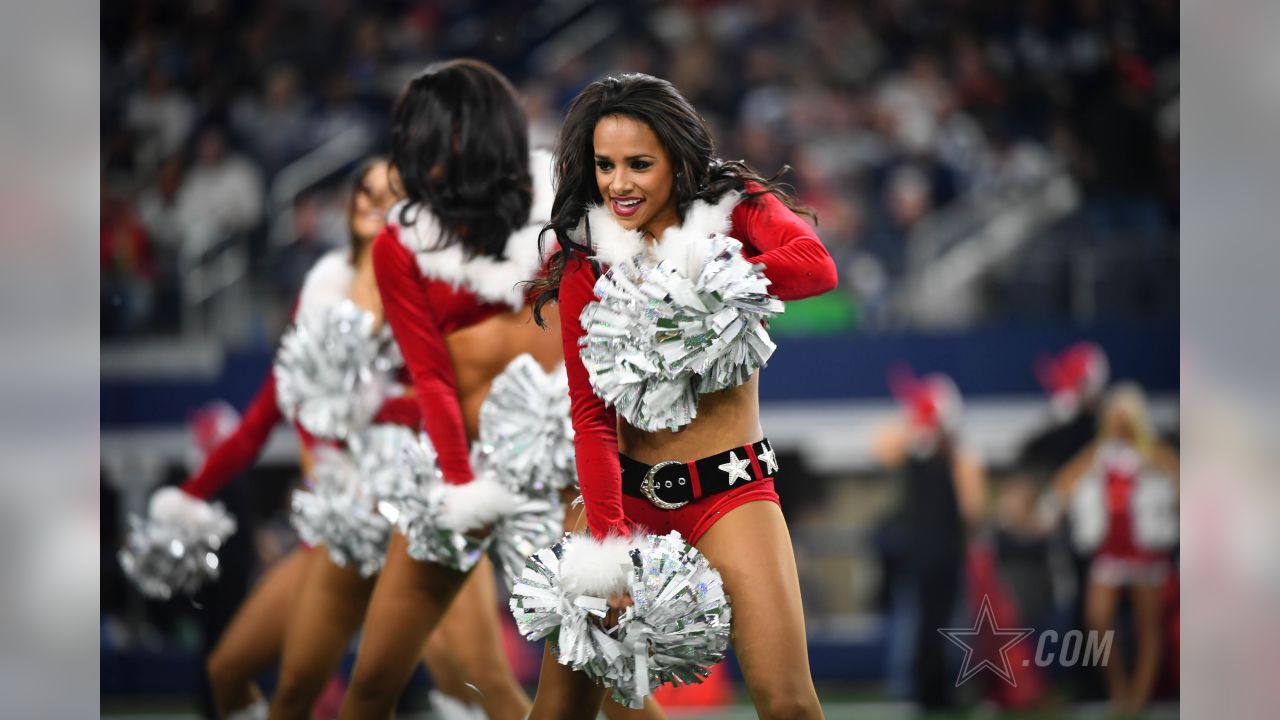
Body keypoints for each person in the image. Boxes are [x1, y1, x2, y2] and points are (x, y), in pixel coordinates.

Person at [337, 59, 665, 720]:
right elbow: (431, 375)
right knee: (372, 685)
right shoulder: (401, 246)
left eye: (422, 137)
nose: (410, 154)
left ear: (467, 138)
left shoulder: (569, 201)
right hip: (466, 471)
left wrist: (609, 531)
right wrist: (461, 489)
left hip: (575, 471)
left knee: (615, 686)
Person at [527, 72, 838, 720]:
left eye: (639, 164)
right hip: (624, 500)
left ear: (676, 158)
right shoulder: (587, 259)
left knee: (790, 705)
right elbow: (591, 419)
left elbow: (816, 266)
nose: (618, 184)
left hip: (731, 493)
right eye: (604, 165)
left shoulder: (732, 207)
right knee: (560, 714)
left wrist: (703, 283)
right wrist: (610, 548)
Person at [1051, 382, 1178, 715]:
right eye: (1115, 417)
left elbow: (1182, 485)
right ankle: (1119, 690)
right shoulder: (1100, 453)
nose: (1120, 424)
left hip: (1145, 551)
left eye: (1126, 417)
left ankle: (1139, 695)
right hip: (1109, 550)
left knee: (1148, 623)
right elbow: (1064, 482)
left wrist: (1160, 495)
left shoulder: (1155, 452)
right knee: (1098, 619)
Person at [872, 370, 986, 711]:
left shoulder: (957, 457)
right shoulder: (919, 451)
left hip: (941, 552)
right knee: (928, 623)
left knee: (944, 624)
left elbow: (972, 509)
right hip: (929, 552)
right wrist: (915, 422)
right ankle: (926, 689)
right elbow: (881, 448)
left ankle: (938, 688)